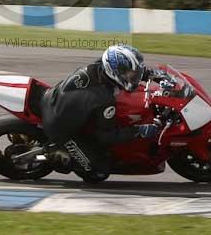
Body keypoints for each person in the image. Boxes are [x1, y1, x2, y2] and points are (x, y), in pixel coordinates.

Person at [40, 44, 160, 180]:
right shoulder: (104, 98)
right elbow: (106, 135)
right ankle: (58, 153)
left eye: (134, 73)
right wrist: (139, 131)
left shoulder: (100, 67)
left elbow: (124, 70)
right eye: (130, 74)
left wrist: (151, 75)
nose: (133, 77)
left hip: (54, 98)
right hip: (60, 128)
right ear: (116, 71)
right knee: (99, 172)